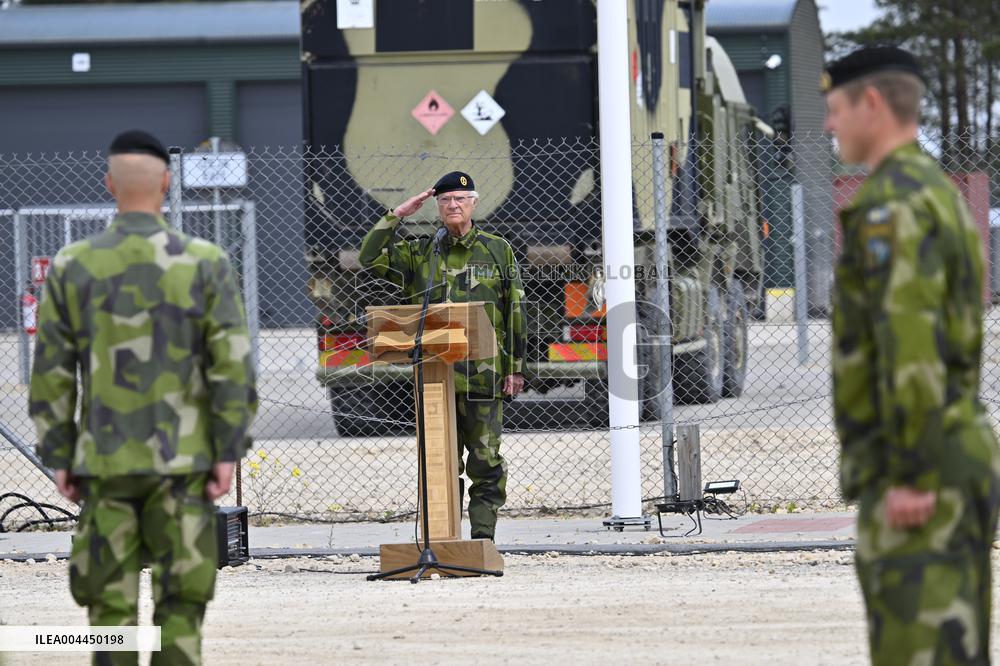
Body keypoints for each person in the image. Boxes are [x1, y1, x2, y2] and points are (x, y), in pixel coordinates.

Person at [29, 130, 258, 665]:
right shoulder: (204, 262)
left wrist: (60, 456)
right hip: (184, 465)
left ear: (110, 184)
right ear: (166, 182)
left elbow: (53, 374)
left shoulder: (72, 265)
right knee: (181, 611)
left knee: (109, 615)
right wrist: (227, 450)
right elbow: (231, 369)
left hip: (105, 465)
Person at [826, 46, 1000, 663]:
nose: (829, 124)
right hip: (950, 458)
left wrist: (910, 474)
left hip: (923, 477)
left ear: (872, 103)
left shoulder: (893, 205)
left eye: (836, 108)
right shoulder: (937, 193)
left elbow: (912, 343)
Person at [358, 171, 526, 541]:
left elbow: (514, 308)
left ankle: (483, 538)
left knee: (486, 462)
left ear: (473, 204)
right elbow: (368, 257)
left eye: (460, 200)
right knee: (440, 462)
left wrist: (515, 368)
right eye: (446, 200)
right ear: (436, 206)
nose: (453, 206)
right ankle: (443, 536)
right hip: (436, 378)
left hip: (483, 377)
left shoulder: (498, 249)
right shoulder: (421, 252)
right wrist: (397, 214)